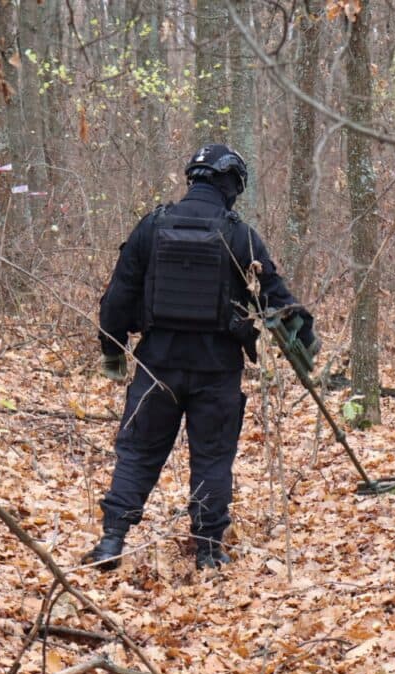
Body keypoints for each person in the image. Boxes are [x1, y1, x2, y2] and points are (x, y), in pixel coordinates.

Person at [84, 144, 317, 571]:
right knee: (212, 457)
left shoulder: (151, 227)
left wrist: (112, 351)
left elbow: (117, 298)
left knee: (137, 452)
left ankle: (111, 541)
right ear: (231, 184)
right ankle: (209, 550)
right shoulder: (239, 235)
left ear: (194, 178)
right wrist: (304, 341)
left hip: (157, 366)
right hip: (217, 370)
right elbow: (277, 301)